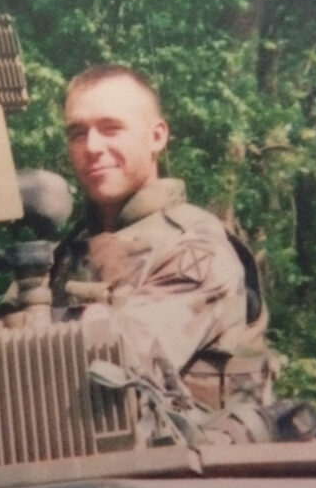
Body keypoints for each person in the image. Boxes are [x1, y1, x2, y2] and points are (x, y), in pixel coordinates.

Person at [51, 64, 271, 407]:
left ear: (157, 137)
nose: (92, 147)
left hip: (194, 455)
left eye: (111, 129)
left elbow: (117, 369)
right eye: (78, 133)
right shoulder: (64, 254)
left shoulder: (197, 249)